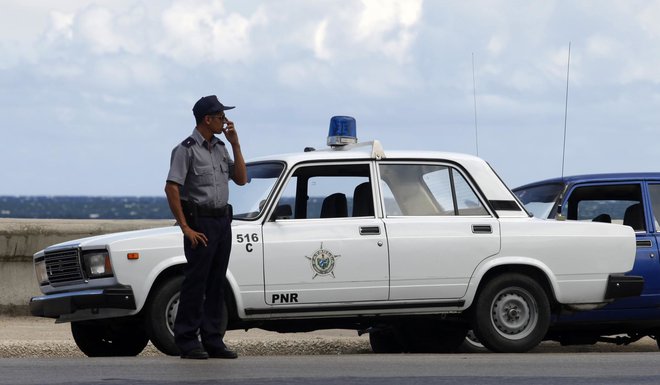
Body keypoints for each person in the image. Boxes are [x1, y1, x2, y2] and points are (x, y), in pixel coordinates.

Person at [164, 95, 247, 359]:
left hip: (223, 222)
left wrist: (235, 144)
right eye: (221, 117)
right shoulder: (185, 150)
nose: (225, 121)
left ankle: (213, 339)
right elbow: (172, 188)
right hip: (200, 222)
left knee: (216, 283)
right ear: (207, 119)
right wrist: (185, 228)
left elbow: (242, 179)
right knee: (195, 283)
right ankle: (187, 340)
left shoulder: (222, 148)